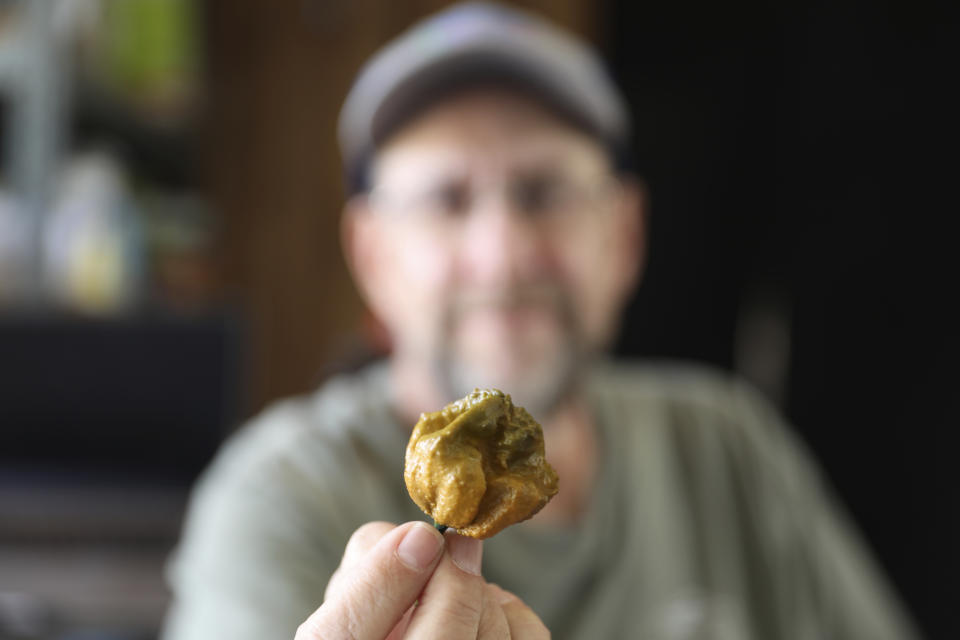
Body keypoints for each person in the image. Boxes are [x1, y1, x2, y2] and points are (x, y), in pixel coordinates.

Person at [161, 3, 919, 639]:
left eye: (545, 191)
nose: (504, 256)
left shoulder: (729, 450)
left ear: (624, 237)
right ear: (372, 254)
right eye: (447, 199)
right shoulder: (280, 497)